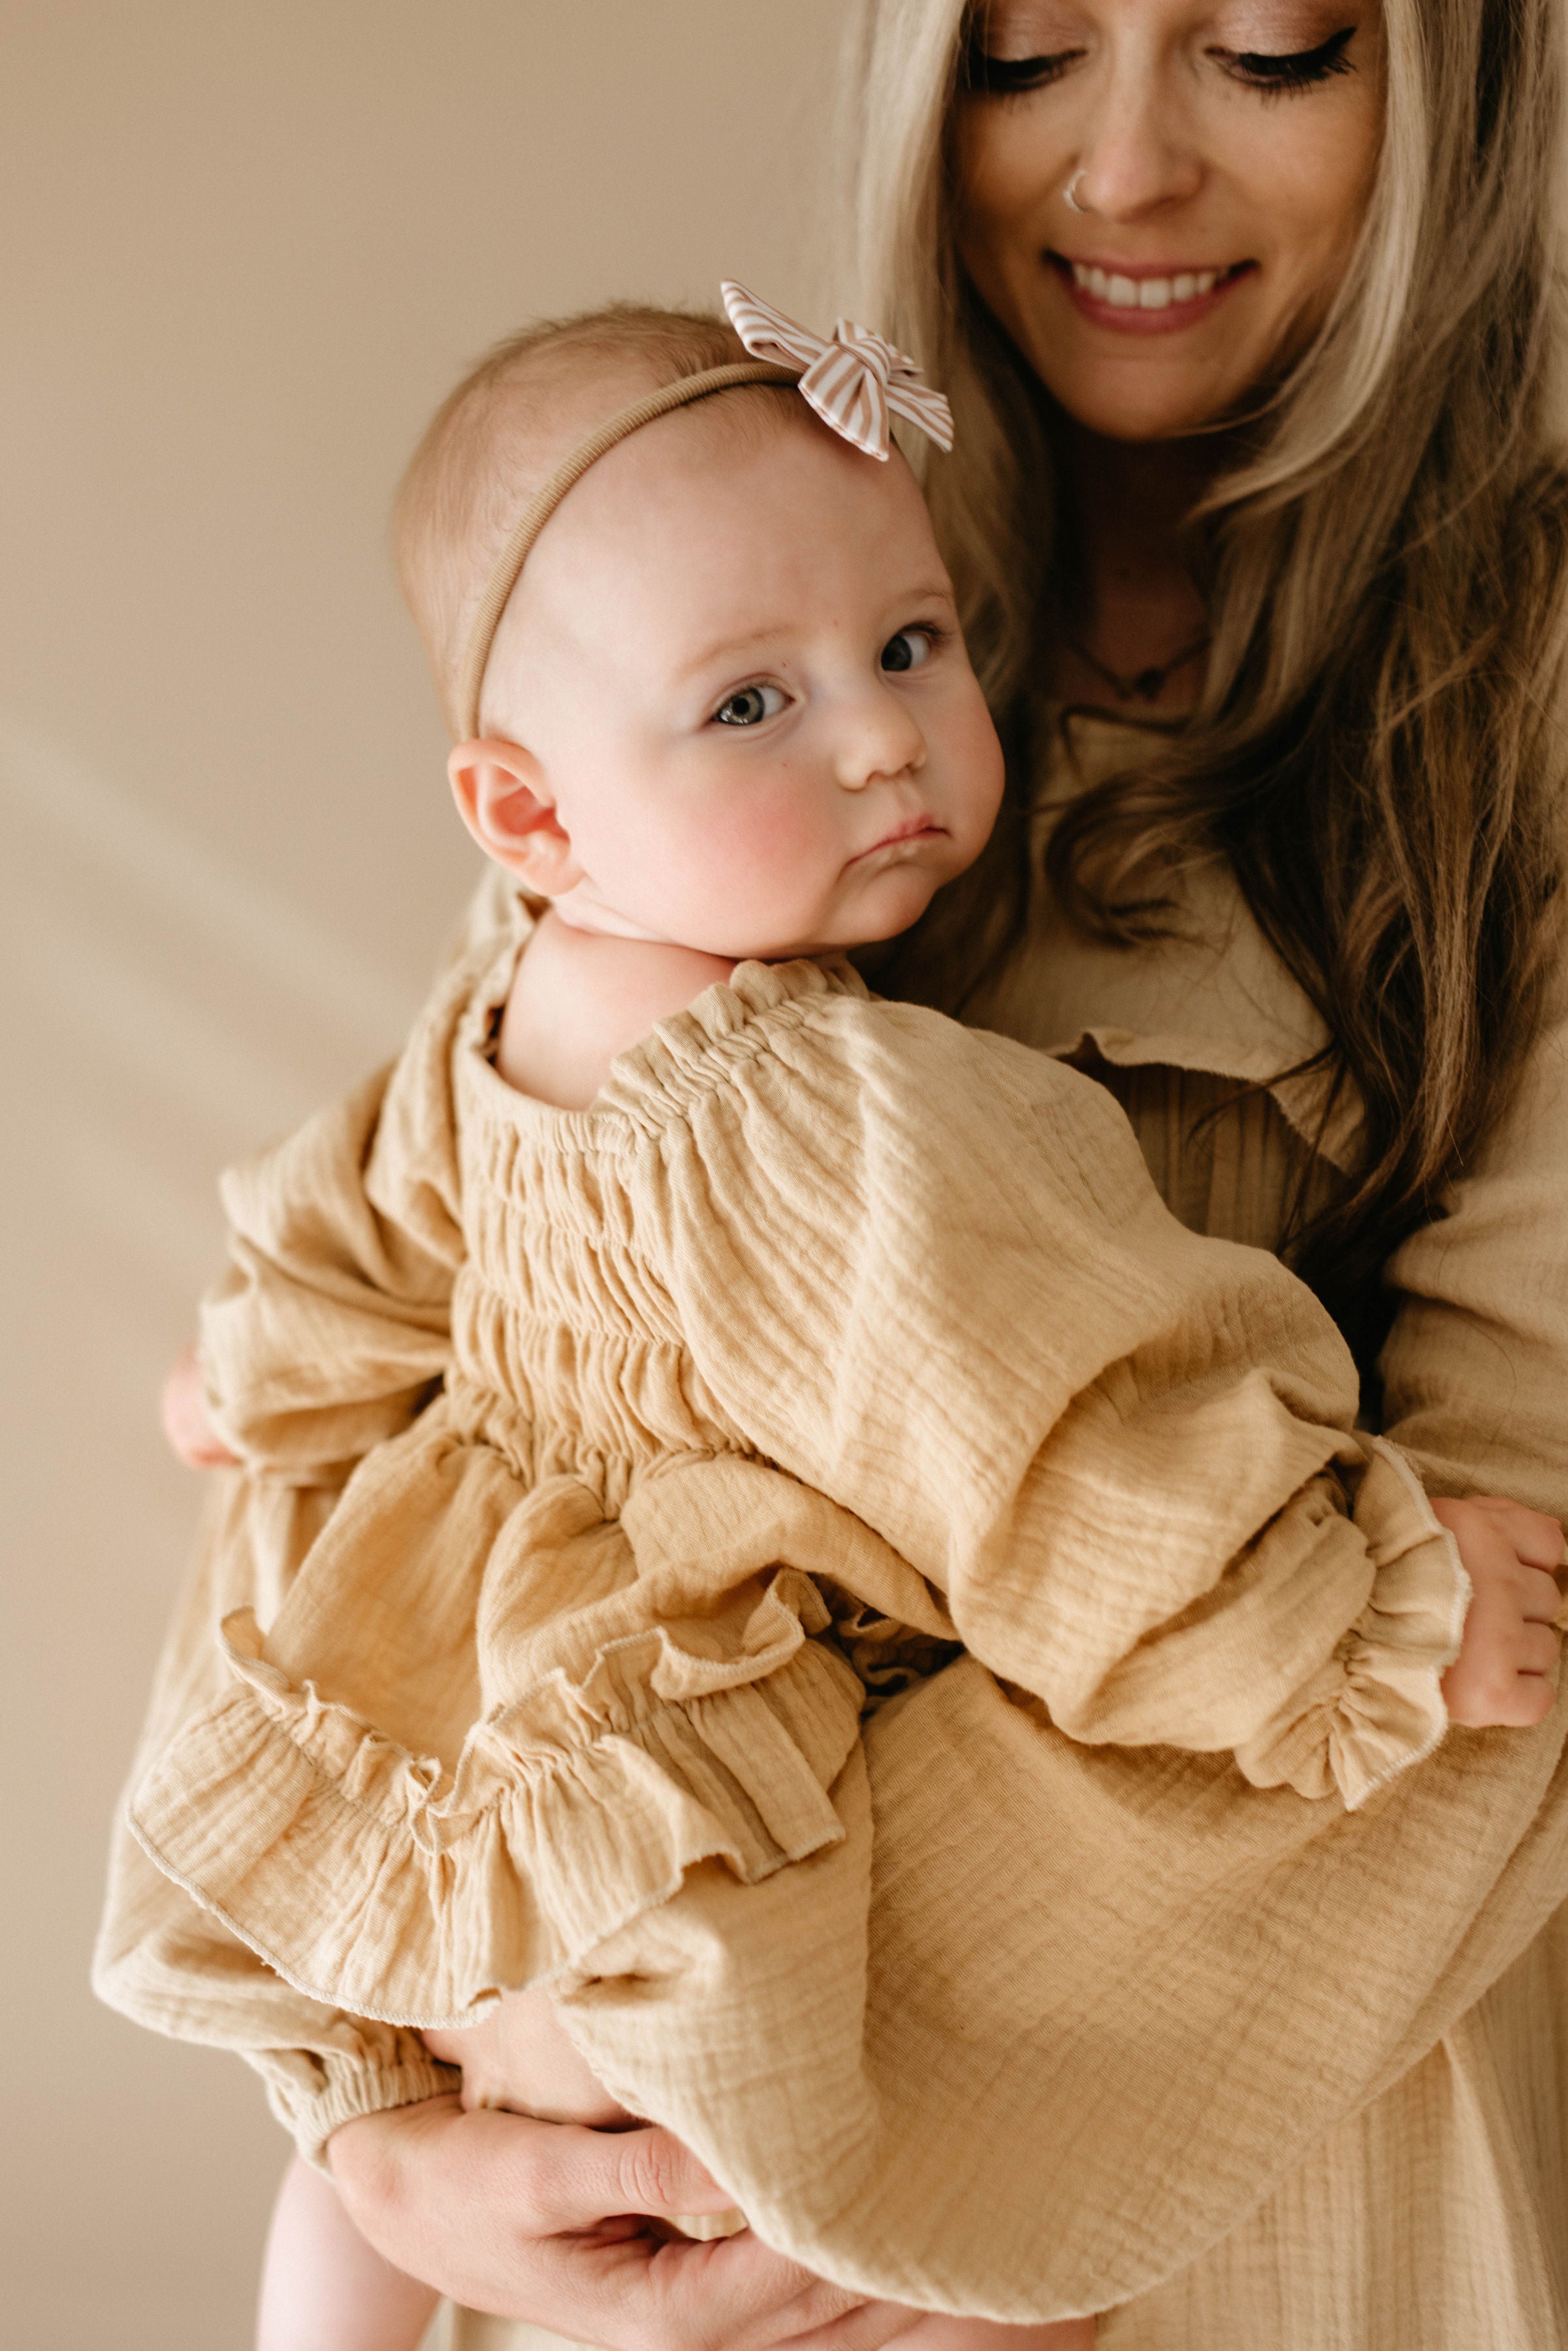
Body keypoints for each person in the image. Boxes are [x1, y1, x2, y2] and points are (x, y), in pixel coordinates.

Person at [97, 0, 1568, 2342]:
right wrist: (389, 2134)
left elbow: (1466, 1553)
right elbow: (380, 1377)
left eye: (1269, 48)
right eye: (1021, 57)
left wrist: (832, 2146)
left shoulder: (1497, 709)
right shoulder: (707, 655)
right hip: (635, 2050)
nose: (1122, 174)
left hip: (1196, 2096)